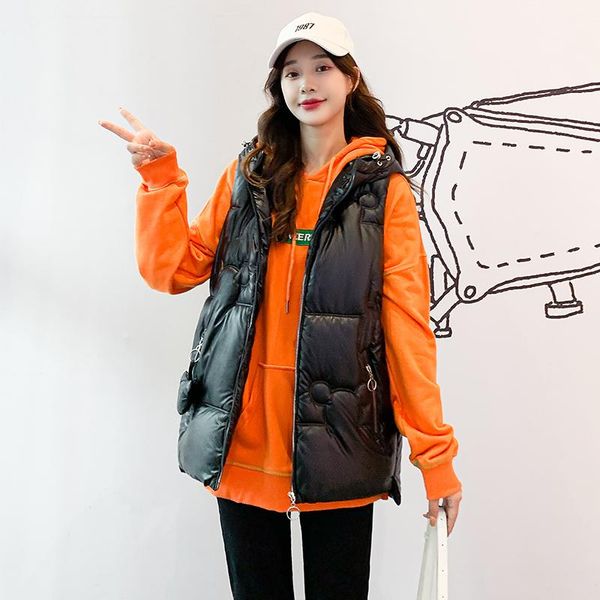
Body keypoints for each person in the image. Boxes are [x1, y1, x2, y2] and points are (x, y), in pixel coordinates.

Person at [99, 11, 462, 600]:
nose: (307, 84)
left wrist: (435, 457)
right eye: (292, 73)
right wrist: (160, 179)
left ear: (350, 79)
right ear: (279, 88)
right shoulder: (249, 175)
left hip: (339, 441)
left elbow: (407, 329)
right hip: (242, 438)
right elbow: (173, 270)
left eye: (322, 68)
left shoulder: (383, 193)